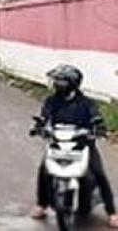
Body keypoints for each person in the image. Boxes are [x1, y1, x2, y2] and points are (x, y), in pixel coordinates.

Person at [29, 65, 118, 227]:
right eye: (55, 80)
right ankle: (41, 204)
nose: (55, 84)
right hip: (58, 144)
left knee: (98, 173)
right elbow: (44, 117)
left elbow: (96, 117)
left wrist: (98, 127)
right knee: (44, 171)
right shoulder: (51, 101)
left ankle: (112, 212)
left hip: (83, 145)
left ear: (71, 83)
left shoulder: (86, 103)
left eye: (60, 81)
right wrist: (39, 126)